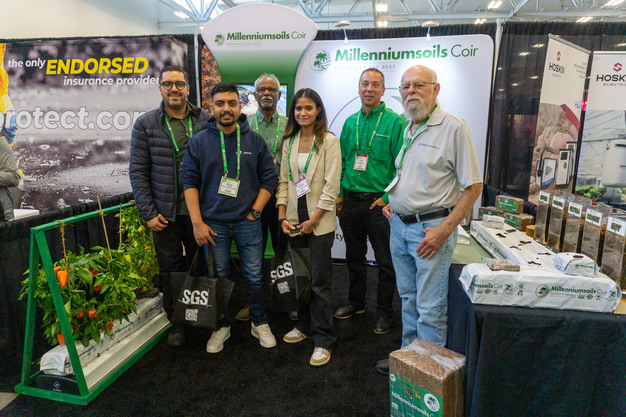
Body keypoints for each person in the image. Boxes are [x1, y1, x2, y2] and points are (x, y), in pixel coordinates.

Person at [376, 65, 483, 374]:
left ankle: (428, 377)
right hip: (400, 226)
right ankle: (409, 361)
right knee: (408, 299)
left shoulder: (453, 127)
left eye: (419, 85)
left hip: (430, 231)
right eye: (405, 86)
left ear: (436, 89)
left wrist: (444, 230)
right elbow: (411, 176)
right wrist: (392, 201)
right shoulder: (409, 126)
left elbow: (474, 186)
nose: (411, 91)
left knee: (429, 308)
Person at [182, 82, 278, 354]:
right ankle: (221, 326)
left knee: (255, 275)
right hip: (213, 225)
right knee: (218, 277)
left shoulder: (254, 140)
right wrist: (197, 223)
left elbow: (269, 178)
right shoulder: (199, 142)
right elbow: (189, 181)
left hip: (248, 223)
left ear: (240, 106)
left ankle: (259, 322)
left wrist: (255, 212)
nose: (226, 109)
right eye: (220, 104)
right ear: (211, 108)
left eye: (232, 103)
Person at [129, 65, 210, 347]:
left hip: (200, 212)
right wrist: (148, 212)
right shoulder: (146, 124)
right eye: (168, 84)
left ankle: (201, 313)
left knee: (201, 264)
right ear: (160, 88)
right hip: (165, 213)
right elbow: (138, 171)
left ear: (188, 88)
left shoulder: (204, 119)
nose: (174, 89)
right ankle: (177, 321)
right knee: (170, 269)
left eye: (179, 84)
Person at [333, 68, 406, 335]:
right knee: (354, 257)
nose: (369, 89)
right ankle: (357, 303)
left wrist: (385, 198)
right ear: (359, 88)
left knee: (386, 262)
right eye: (365, 84)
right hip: (351, 201)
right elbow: (342, 163)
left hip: (379, 204)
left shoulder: (395, 122)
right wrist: (340, 193)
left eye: (375, 85)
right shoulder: (350, 122)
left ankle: (385, 311)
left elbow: (402, 166)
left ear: (383, 90)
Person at [276, 88, 341, 366]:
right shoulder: (288, 141)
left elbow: (331, 186)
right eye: (298, 108)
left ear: (318, 110)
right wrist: (282, 216)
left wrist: (313, 220)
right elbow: (283, 182)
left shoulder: (329, 141)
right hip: (293, 220)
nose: (303, 113)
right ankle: (303, 326)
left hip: (319, 222)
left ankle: (323, 338)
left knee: (319, 282)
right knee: (300, 279)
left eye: (308, 108)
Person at [236, 73, 289, 322]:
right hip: (251, 200)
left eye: (271, 89)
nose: (266, 93)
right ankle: (255, 302)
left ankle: (286, 298)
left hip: (280, 199)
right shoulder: (242, 125)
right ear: (254, 95)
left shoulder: (290, 124)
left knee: (282, 252)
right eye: (261, 90)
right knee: (252, 257)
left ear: (279, 94)